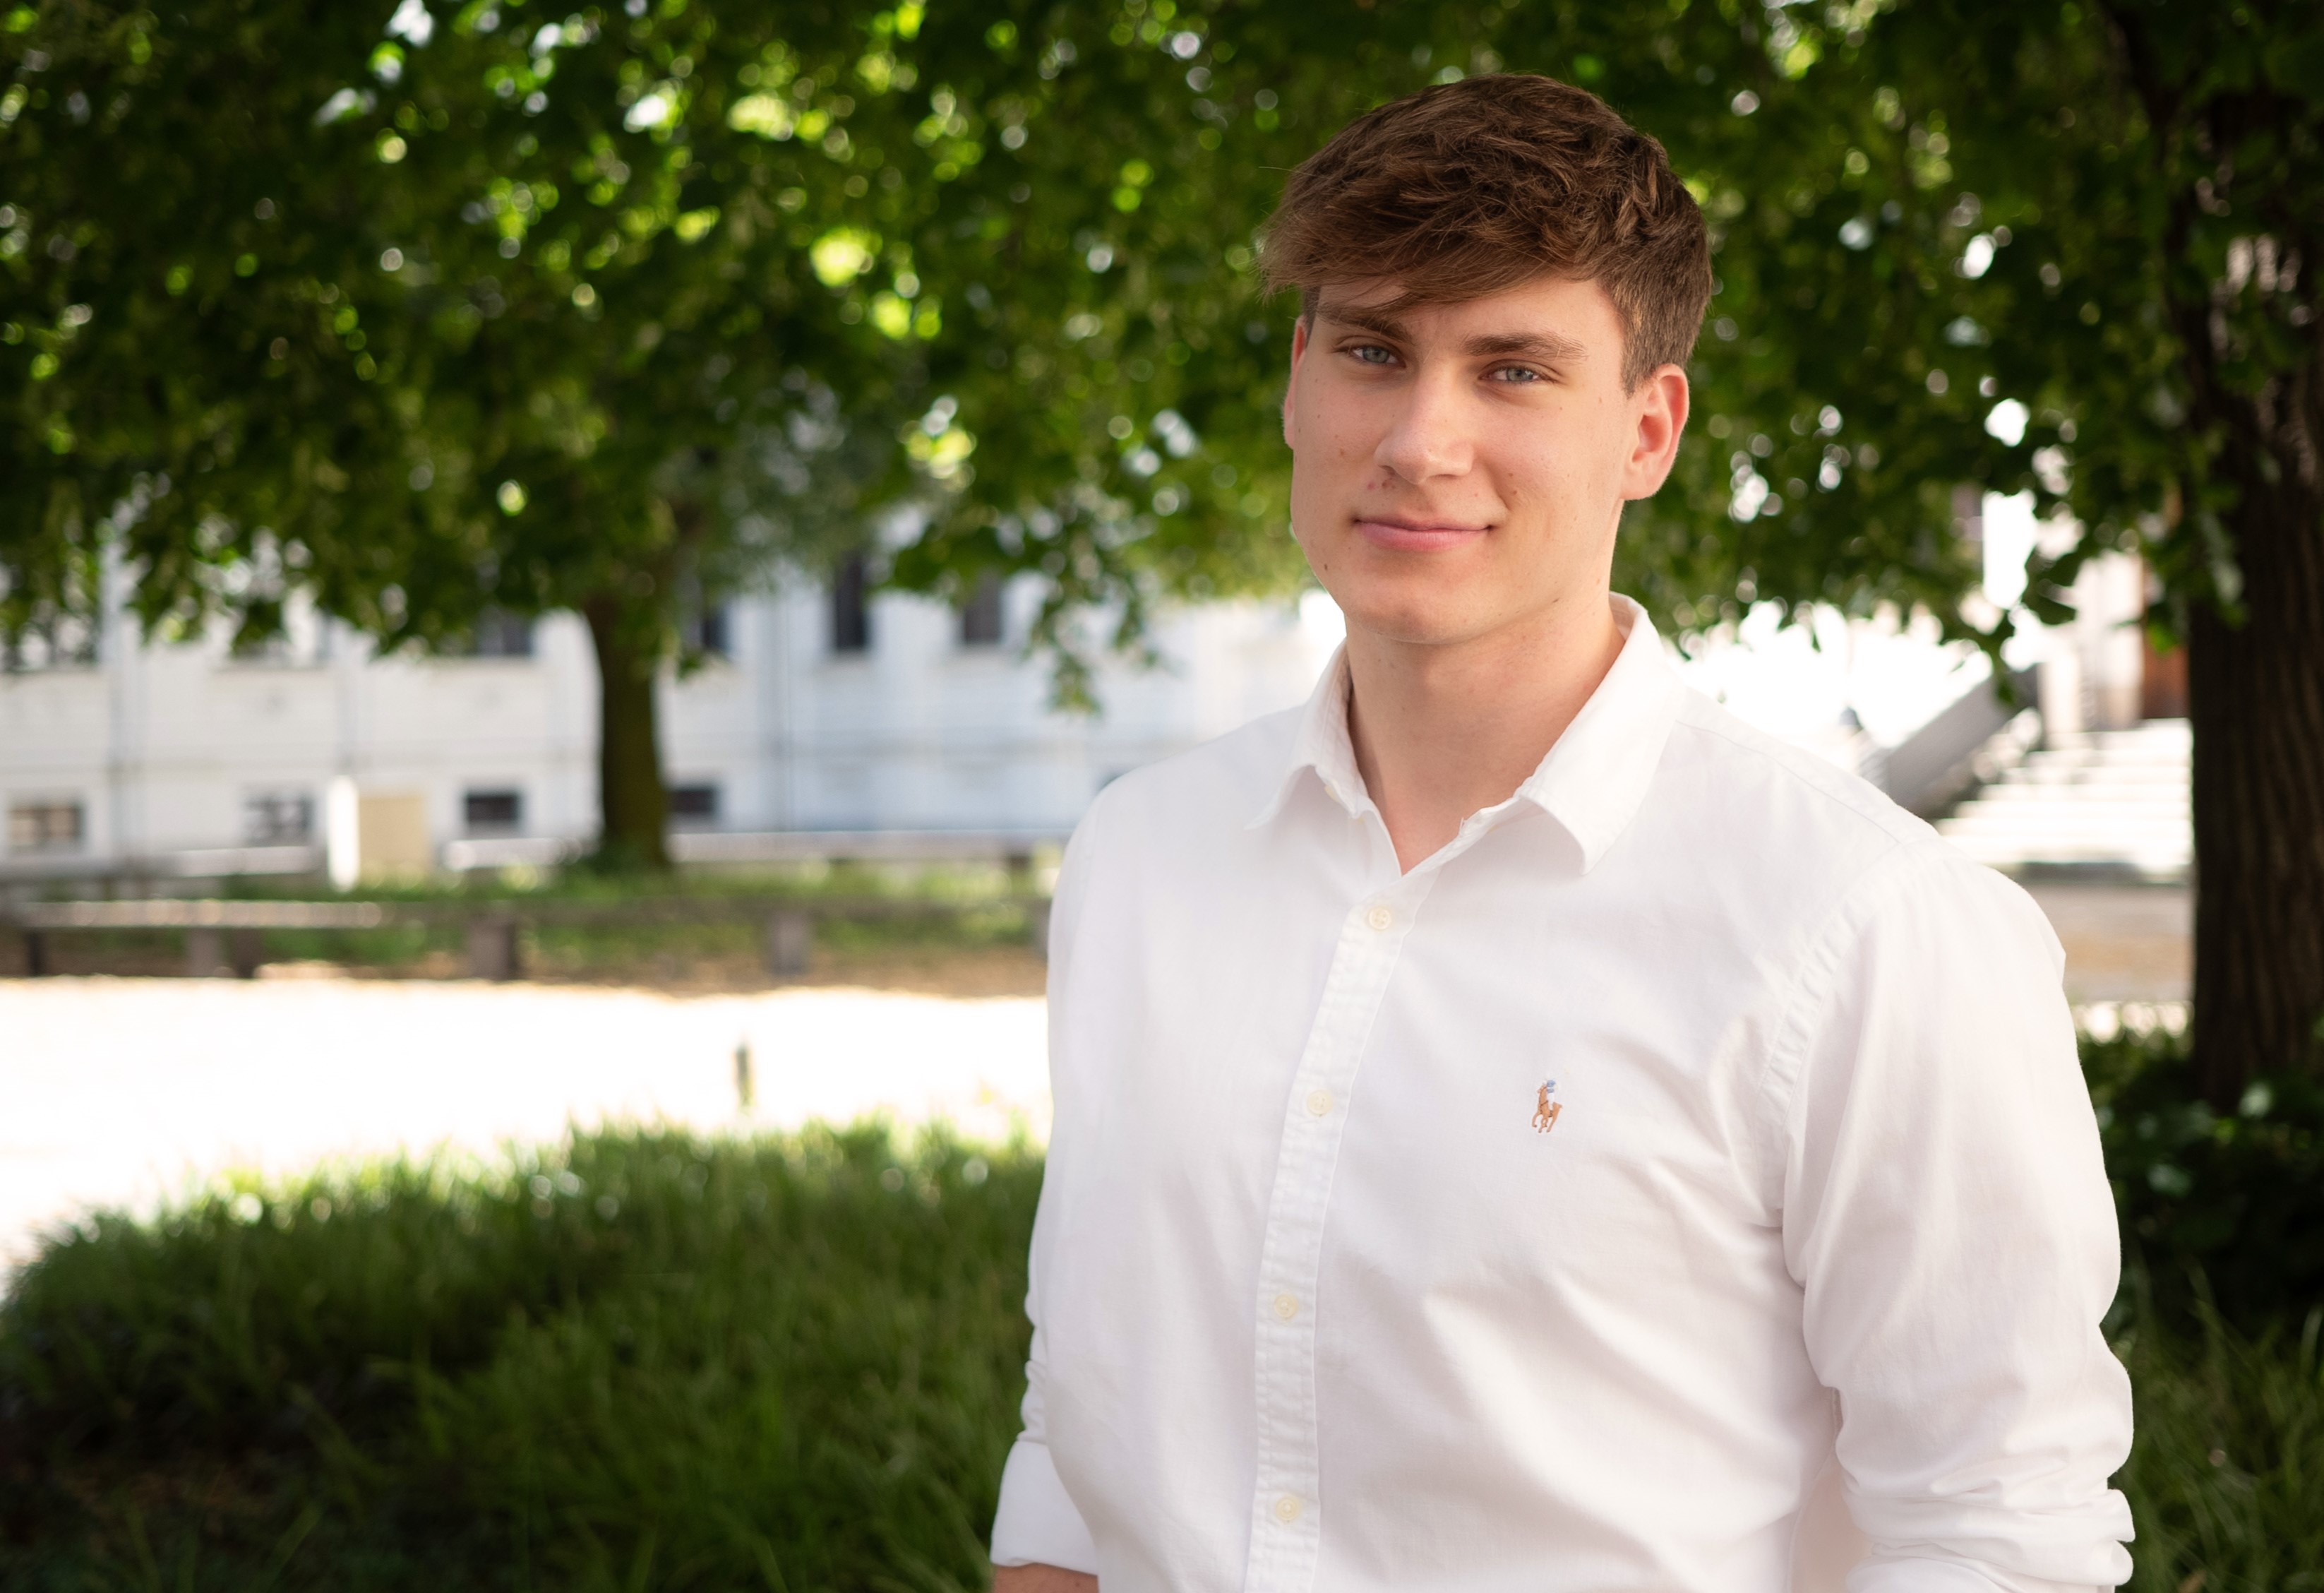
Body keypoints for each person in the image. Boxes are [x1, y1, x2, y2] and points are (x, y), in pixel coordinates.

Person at [990, 73, 2133, 1593]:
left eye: (1511, 370)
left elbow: (1998, 1532)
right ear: (1294, 378)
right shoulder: (1138, 860)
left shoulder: (1865, 931)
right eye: (1372, 350)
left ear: (1647, 431)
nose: (1417, 438)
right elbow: (1084, 1427)